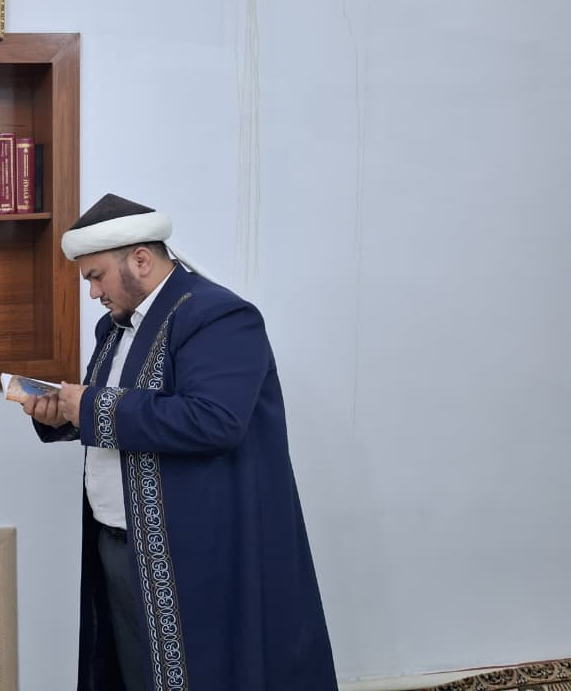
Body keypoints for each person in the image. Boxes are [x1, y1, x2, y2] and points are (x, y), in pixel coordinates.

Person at [23, 193, 337, 690]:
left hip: (193, 550)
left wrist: (91, 405)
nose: (94, 293)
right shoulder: (114, 327)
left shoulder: (220, 316)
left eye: (97, 277)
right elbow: (118, 413)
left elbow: (215, 419)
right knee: (135, 674)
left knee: (204, 675)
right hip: (119, 542)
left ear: (140, 260)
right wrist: (62, 413)